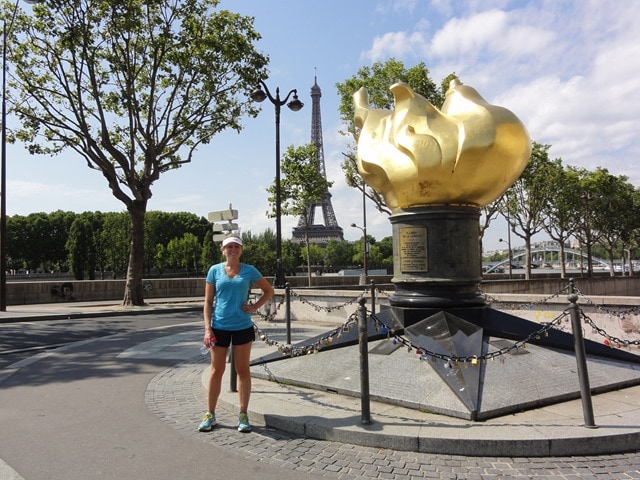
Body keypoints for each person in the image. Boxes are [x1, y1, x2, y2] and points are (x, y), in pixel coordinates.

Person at [198, 234, 274, 433]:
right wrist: (207, 329)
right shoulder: (214, 270)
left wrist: (254, 307)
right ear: (223, 250)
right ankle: (210, 413)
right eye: (229, 246)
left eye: (236, 246)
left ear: (241, 250)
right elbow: (208, 302)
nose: (233, 250)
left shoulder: (249, 270)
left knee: (243, 370)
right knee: (216, 371)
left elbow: (269, 290)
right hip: (219, 327)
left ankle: (243, 414)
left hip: (242, 326)